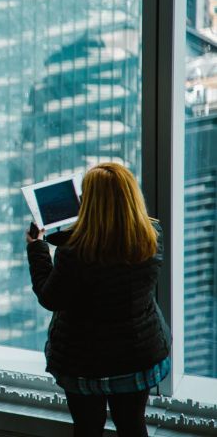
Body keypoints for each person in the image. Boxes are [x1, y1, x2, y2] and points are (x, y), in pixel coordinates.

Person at [26, 162, 170, 437]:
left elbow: (49, 297)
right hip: (138, 356)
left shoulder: (74, 254)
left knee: (88, 429)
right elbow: (108, 250)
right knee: (132, 426)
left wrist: (37, 249)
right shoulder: (152, 237)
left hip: (84, 363)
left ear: (88, 203)